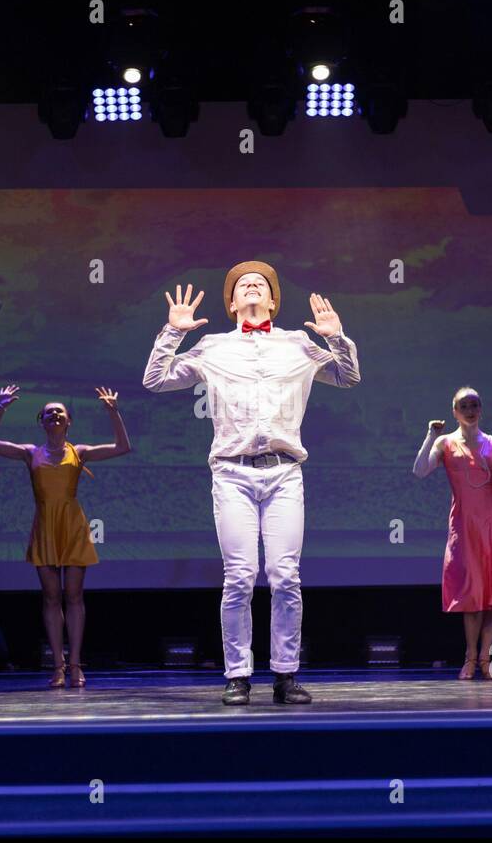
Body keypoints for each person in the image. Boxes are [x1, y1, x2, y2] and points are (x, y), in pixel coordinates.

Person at [142, 262, 360, 705]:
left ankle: (285, 675)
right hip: (232, 472)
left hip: (283, 472)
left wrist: (335, 336)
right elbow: (156, 380)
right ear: (231, 303)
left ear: (274, 301)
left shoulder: (299, 344)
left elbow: (347, 376)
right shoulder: (213, 346)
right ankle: (238, 676)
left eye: (261, 283)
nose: (252, 286)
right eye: (243, 285)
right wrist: (172, 332)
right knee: (240, 577)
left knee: (284, 576)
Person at [0, 385, 130, 688]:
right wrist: (0, 408)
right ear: (42, 421)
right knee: (51, 598)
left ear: (68, 421)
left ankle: (76, 665)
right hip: (46, 526)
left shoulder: (80, 452)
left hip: (72, 526)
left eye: (59, 411)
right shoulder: (30, 453)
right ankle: (58, 667)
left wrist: (113, 411)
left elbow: (122, 447)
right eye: (49, 412)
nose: (54, 414)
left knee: (74, 596)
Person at [413, 388, 492, 679]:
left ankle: (486, 659)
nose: (470, 409)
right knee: (472, 592)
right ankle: (469, 656)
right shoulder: (445, 443)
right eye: (464, 405)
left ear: (481, 409)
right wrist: (429, 436)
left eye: (474, 404)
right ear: (454, 411)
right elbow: (419, 471)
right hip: (465, 525)